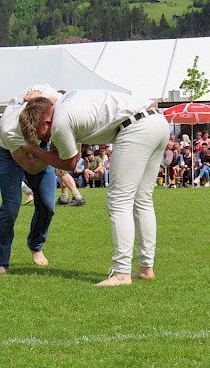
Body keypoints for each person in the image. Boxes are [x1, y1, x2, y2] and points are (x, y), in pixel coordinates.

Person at [19, 89, 169, 286]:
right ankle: (145, 267)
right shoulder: (64, 100)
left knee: (119, 201)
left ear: (46, 122)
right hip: (158, 122)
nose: (46, 140)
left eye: (42, 135)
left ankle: (122, 273)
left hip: (136, 128)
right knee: (143, 199)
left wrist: (35, 150)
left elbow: (69, 164)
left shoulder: (59, 124)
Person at [0, 84, 61, 275]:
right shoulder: (9, 129)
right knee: (11, 207)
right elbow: (30, 165)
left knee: (48, 205)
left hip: (38, 147)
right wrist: (53, 156)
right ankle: (1, 262)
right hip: (10, 153)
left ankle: (36, 246)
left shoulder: (50, 99)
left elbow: (44, 95)